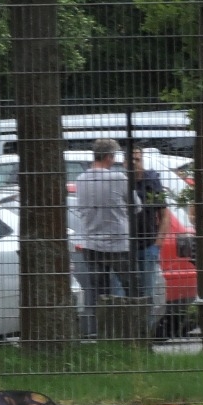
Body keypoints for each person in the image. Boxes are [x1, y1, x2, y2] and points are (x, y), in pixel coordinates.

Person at [73, 138, 137, 339]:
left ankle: (104, 333)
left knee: (100, 291)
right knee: (131, 287)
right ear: (109, 156)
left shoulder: (81, 179)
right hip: (118, 242)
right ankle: (132, 331)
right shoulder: (118, 178)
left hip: (91, 243)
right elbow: (136, 206)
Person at [129, 147, 172, 311]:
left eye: (137, 159)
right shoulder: (121, 181)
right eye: (131, 160)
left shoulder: (151, 182)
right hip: (125, 247)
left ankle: (146, 326)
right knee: (125, 293)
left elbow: (164, 215)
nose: (134, 163)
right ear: (124, 162)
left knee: (148, 294)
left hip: (147, 245)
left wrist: (157, 244)